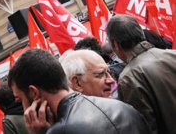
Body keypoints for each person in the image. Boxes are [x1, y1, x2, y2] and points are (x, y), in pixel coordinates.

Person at [8, 48, 150, 134]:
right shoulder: (122, 106)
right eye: (100, 74)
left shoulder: (61, 131)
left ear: (34, 93)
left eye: (21, 100)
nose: (24, 110)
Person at [106, 14, 176, 134]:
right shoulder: (173, 54)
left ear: (115, 45)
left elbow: (146, 127)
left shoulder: (129, 78)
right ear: (142, 34)